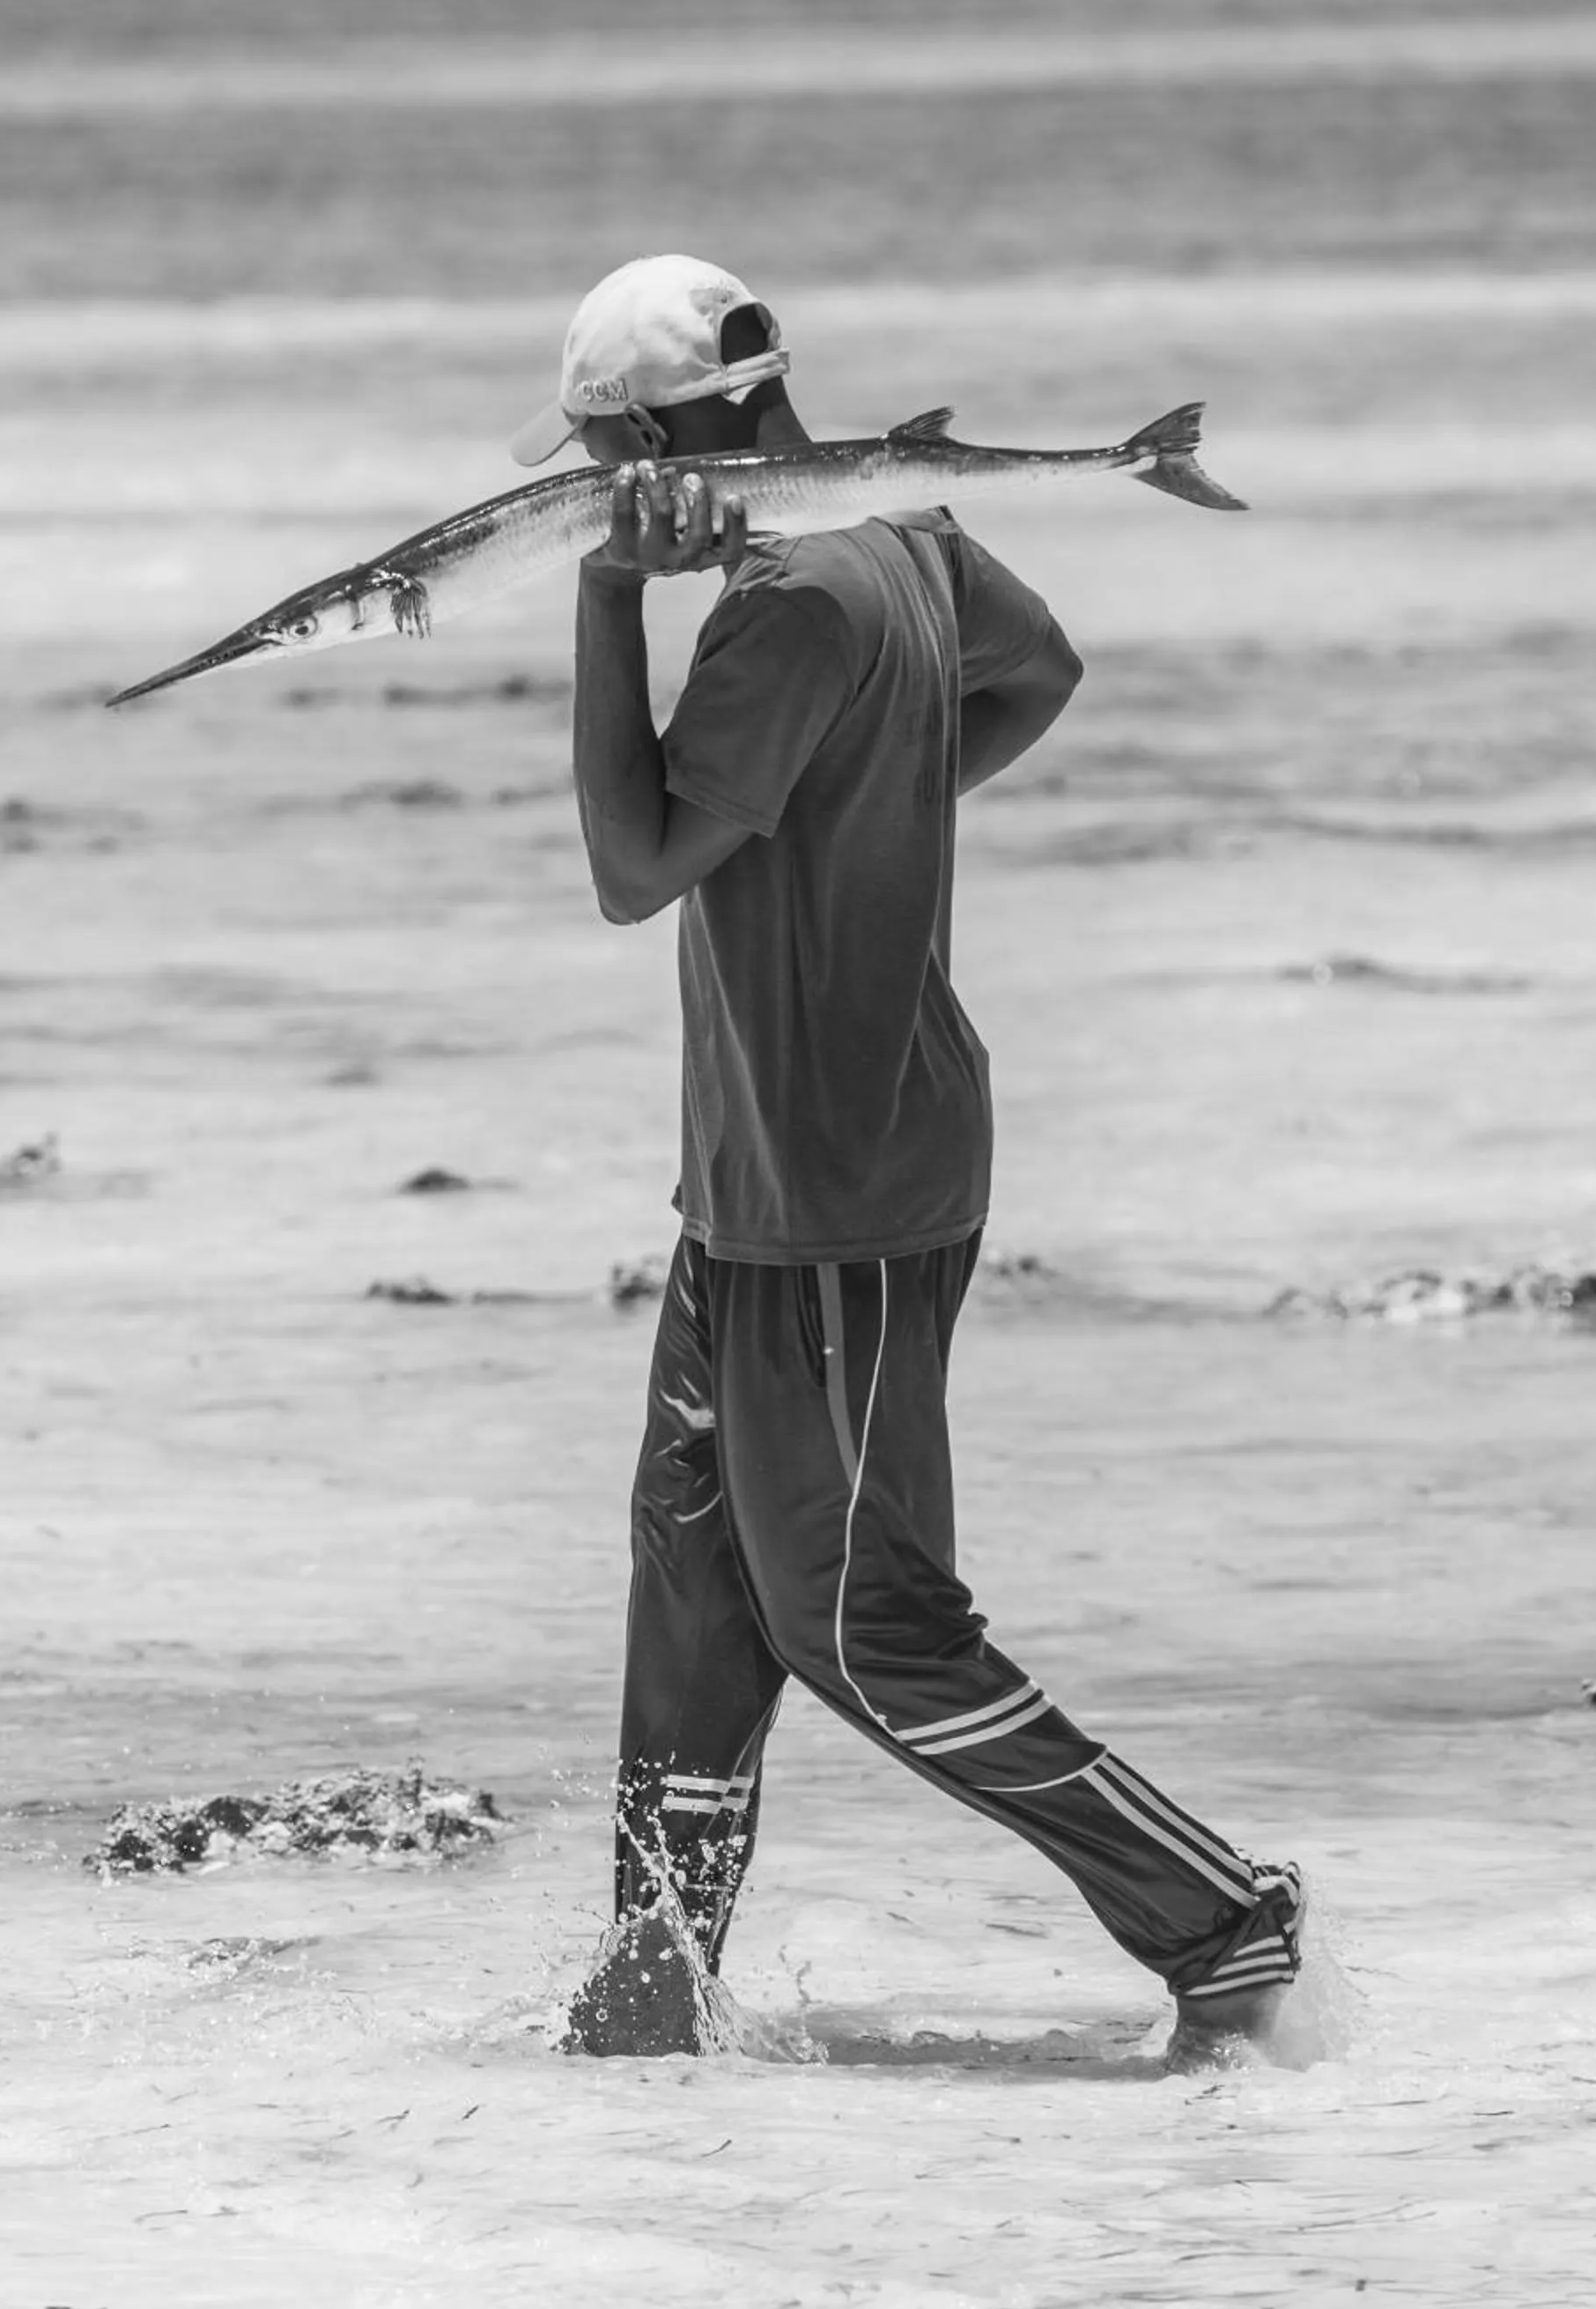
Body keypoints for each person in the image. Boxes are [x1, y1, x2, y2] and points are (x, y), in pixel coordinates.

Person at [515, 254, 1302, 2068]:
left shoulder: (780, 603)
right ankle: (651, 1994)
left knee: (864, 1628)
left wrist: (602, 598)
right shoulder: (901, 521)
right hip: (760, 1182)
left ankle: (1219, 1915)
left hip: (840, 1189)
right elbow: (1039, 675)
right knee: (697, 1600)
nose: (598, 479)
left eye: (598, 454)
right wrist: (858, 806)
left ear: (659, 442)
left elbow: (630, 869)